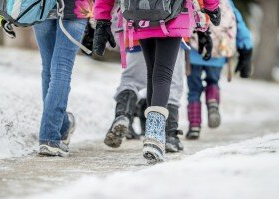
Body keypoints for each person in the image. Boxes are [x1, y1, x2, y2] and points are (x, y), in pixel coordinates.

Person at [93, 0, 220, 163]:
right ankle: (154, 136)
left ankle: (152, 135)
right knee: (163, 75)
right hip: (174, 14)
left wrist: (102, 19)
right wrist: (212, 7)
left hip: (140, 15)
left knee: (152, 73)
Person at [186, 0, 253, 139]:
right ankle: (213, 103)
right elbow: (240, 27)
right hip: (218, 54)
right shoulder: (227, 2)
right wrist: (246, 48)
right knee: (213, 82)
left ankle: (194, 126)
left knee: (194, 90)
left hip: (194, 51)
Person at [34, 0, 92, 156]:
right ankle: (50, 137)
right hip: (76, 6)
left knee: (49, 69)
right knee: (61, 69)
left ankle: (62, 126)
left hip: (42, 7)